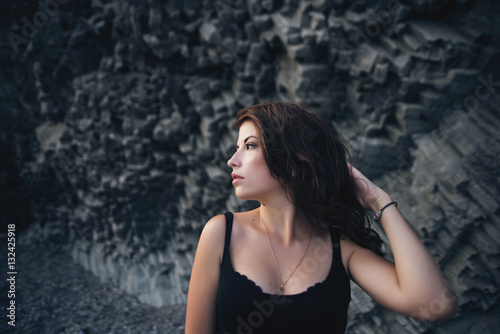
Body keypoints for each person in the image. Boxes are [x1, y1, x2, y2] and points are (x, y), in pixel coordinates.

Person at [185, 102, 458, 333]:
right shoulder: (221, 233)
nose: (233, 160)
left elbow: (435, 303)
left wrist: (379, 200)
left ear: (293, 156)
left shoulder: (342, 249)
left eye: (250, 146)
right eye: (237, 147)